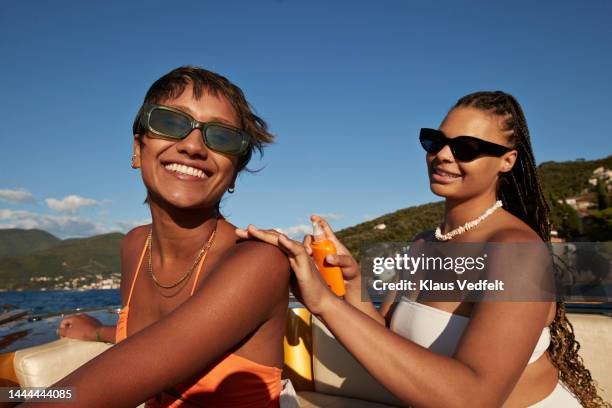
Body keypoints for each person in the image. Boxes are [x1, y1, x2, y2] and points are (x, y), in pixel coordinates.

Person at [238, 91, 610, 407]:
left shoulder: (516, 252)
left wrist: (324, 303)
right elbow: (391, 340)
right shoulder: (424, 243)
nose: (443, 155)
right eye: (435, 141)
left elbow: (473, 397)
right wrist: (352, 288)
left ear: (507, 161)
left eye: (466, 148)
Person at [46, 66, 291, 408]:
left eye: (221, 137)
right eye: (171, 123)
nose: (192, 146)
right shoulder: (134, 245)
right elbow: (154, 348)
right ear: (137, 148)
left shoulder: (257, 263)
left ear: (234, 171)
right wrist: (99, 332)